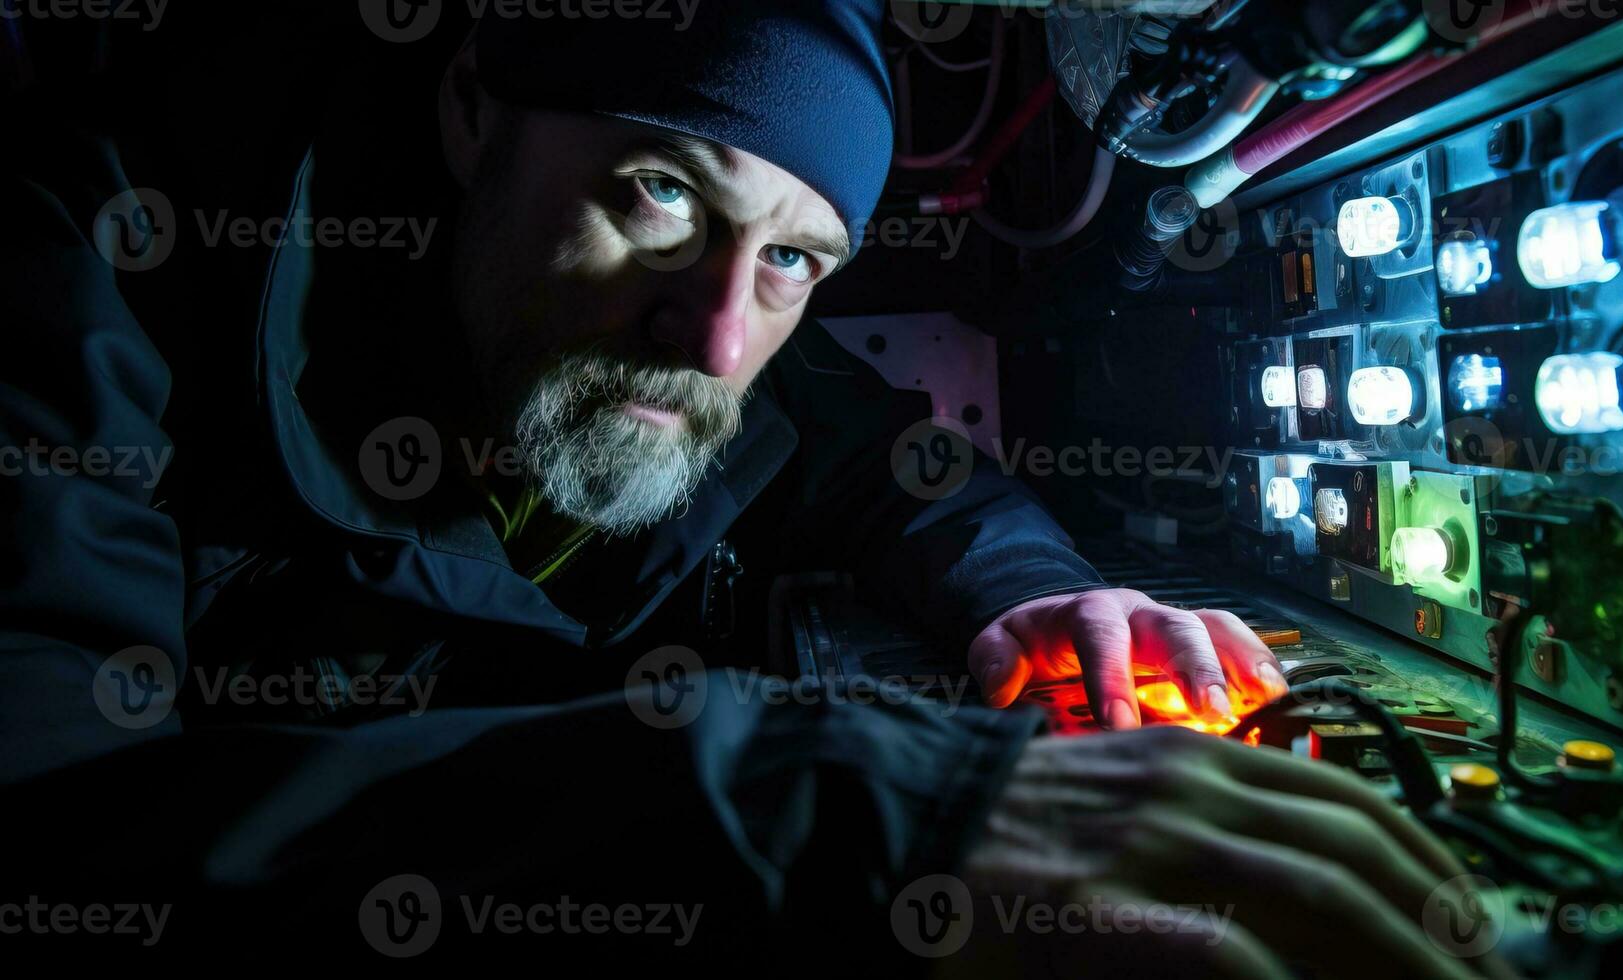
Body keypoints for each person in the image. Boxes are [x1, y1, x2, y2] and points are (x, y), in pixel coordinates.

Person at [0, 2, 1484, 973]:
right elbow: (55, 841)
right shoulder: (92, 274)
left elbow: (902, 473)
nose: (717, 335)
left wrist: (1042, 598)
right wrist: (809, 806)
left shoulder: (714, 351)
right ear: (470, 109)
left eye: (791, 260)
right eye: (659, 194)